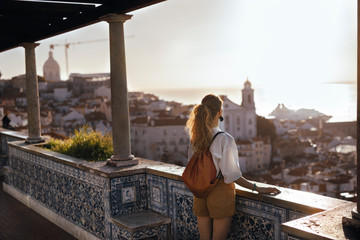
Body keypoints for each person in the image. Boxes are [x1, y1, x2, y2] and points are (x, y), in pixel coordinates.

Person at [186, 94, 281, 240]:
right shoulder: (224, 139)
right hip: (220, 192)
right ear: (220, 112)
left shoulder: (195, 138)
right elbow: (232, 175)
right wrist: (257, 188)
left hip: (200, 191)